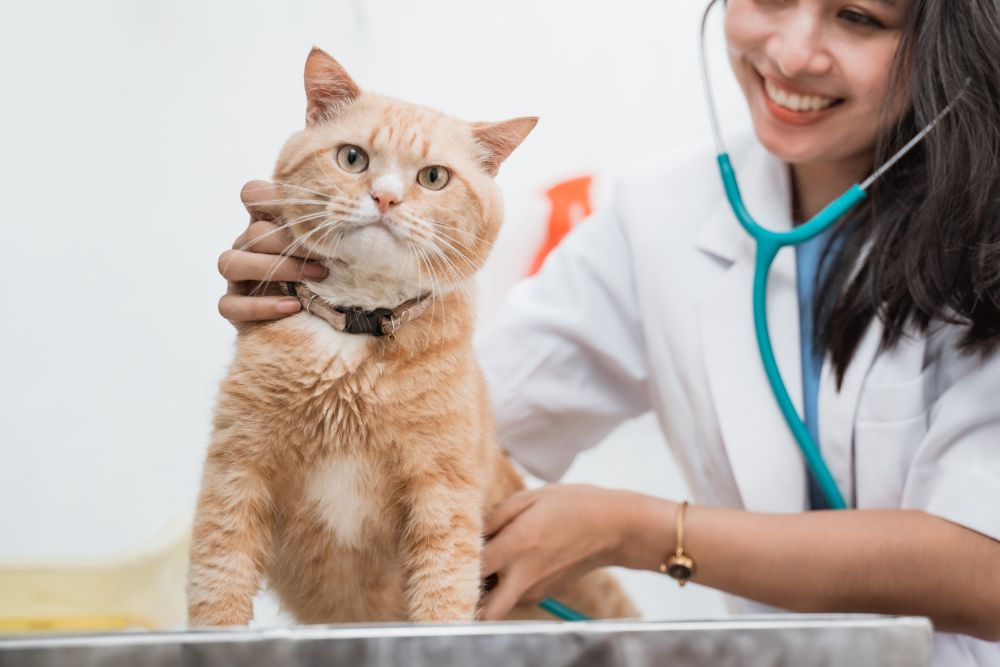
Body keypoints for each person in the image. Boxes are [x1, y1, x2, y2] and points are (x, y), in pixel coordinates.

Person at [217, 0, 1000, 662]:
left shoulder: (987, 226)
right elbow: (457, 431)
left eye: (858, 17)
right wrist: (338, 301)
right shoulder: (660, 212)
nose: (792, 53)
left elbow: (988, 571)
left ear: (947, 35)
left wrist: (644, 529)